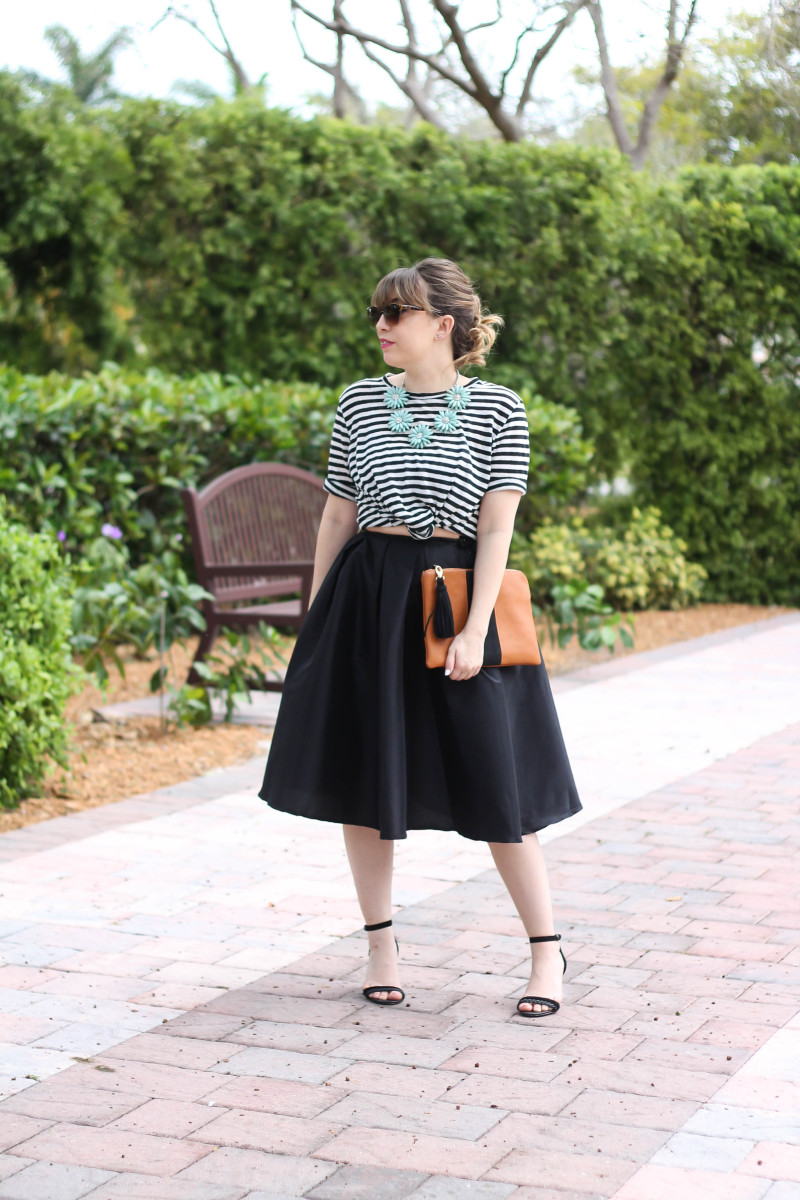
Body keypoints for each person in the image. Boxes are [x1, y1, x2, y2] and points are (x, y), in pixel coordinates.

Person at [259, 257, 581, 1018]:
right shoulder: (360, 404)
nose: (380, 326)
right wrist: (316, 618)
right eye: (377, 312)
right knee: (367, 786)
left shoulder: (501, 408)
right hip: (368, 597)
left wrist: (473, 631)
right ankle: (381, 947)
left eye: (396, 313)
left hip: (457, 593)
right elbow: (338, 513)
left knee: (498, 783)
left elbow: (497, 523)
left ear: (443, 325)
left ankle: (546, 955)